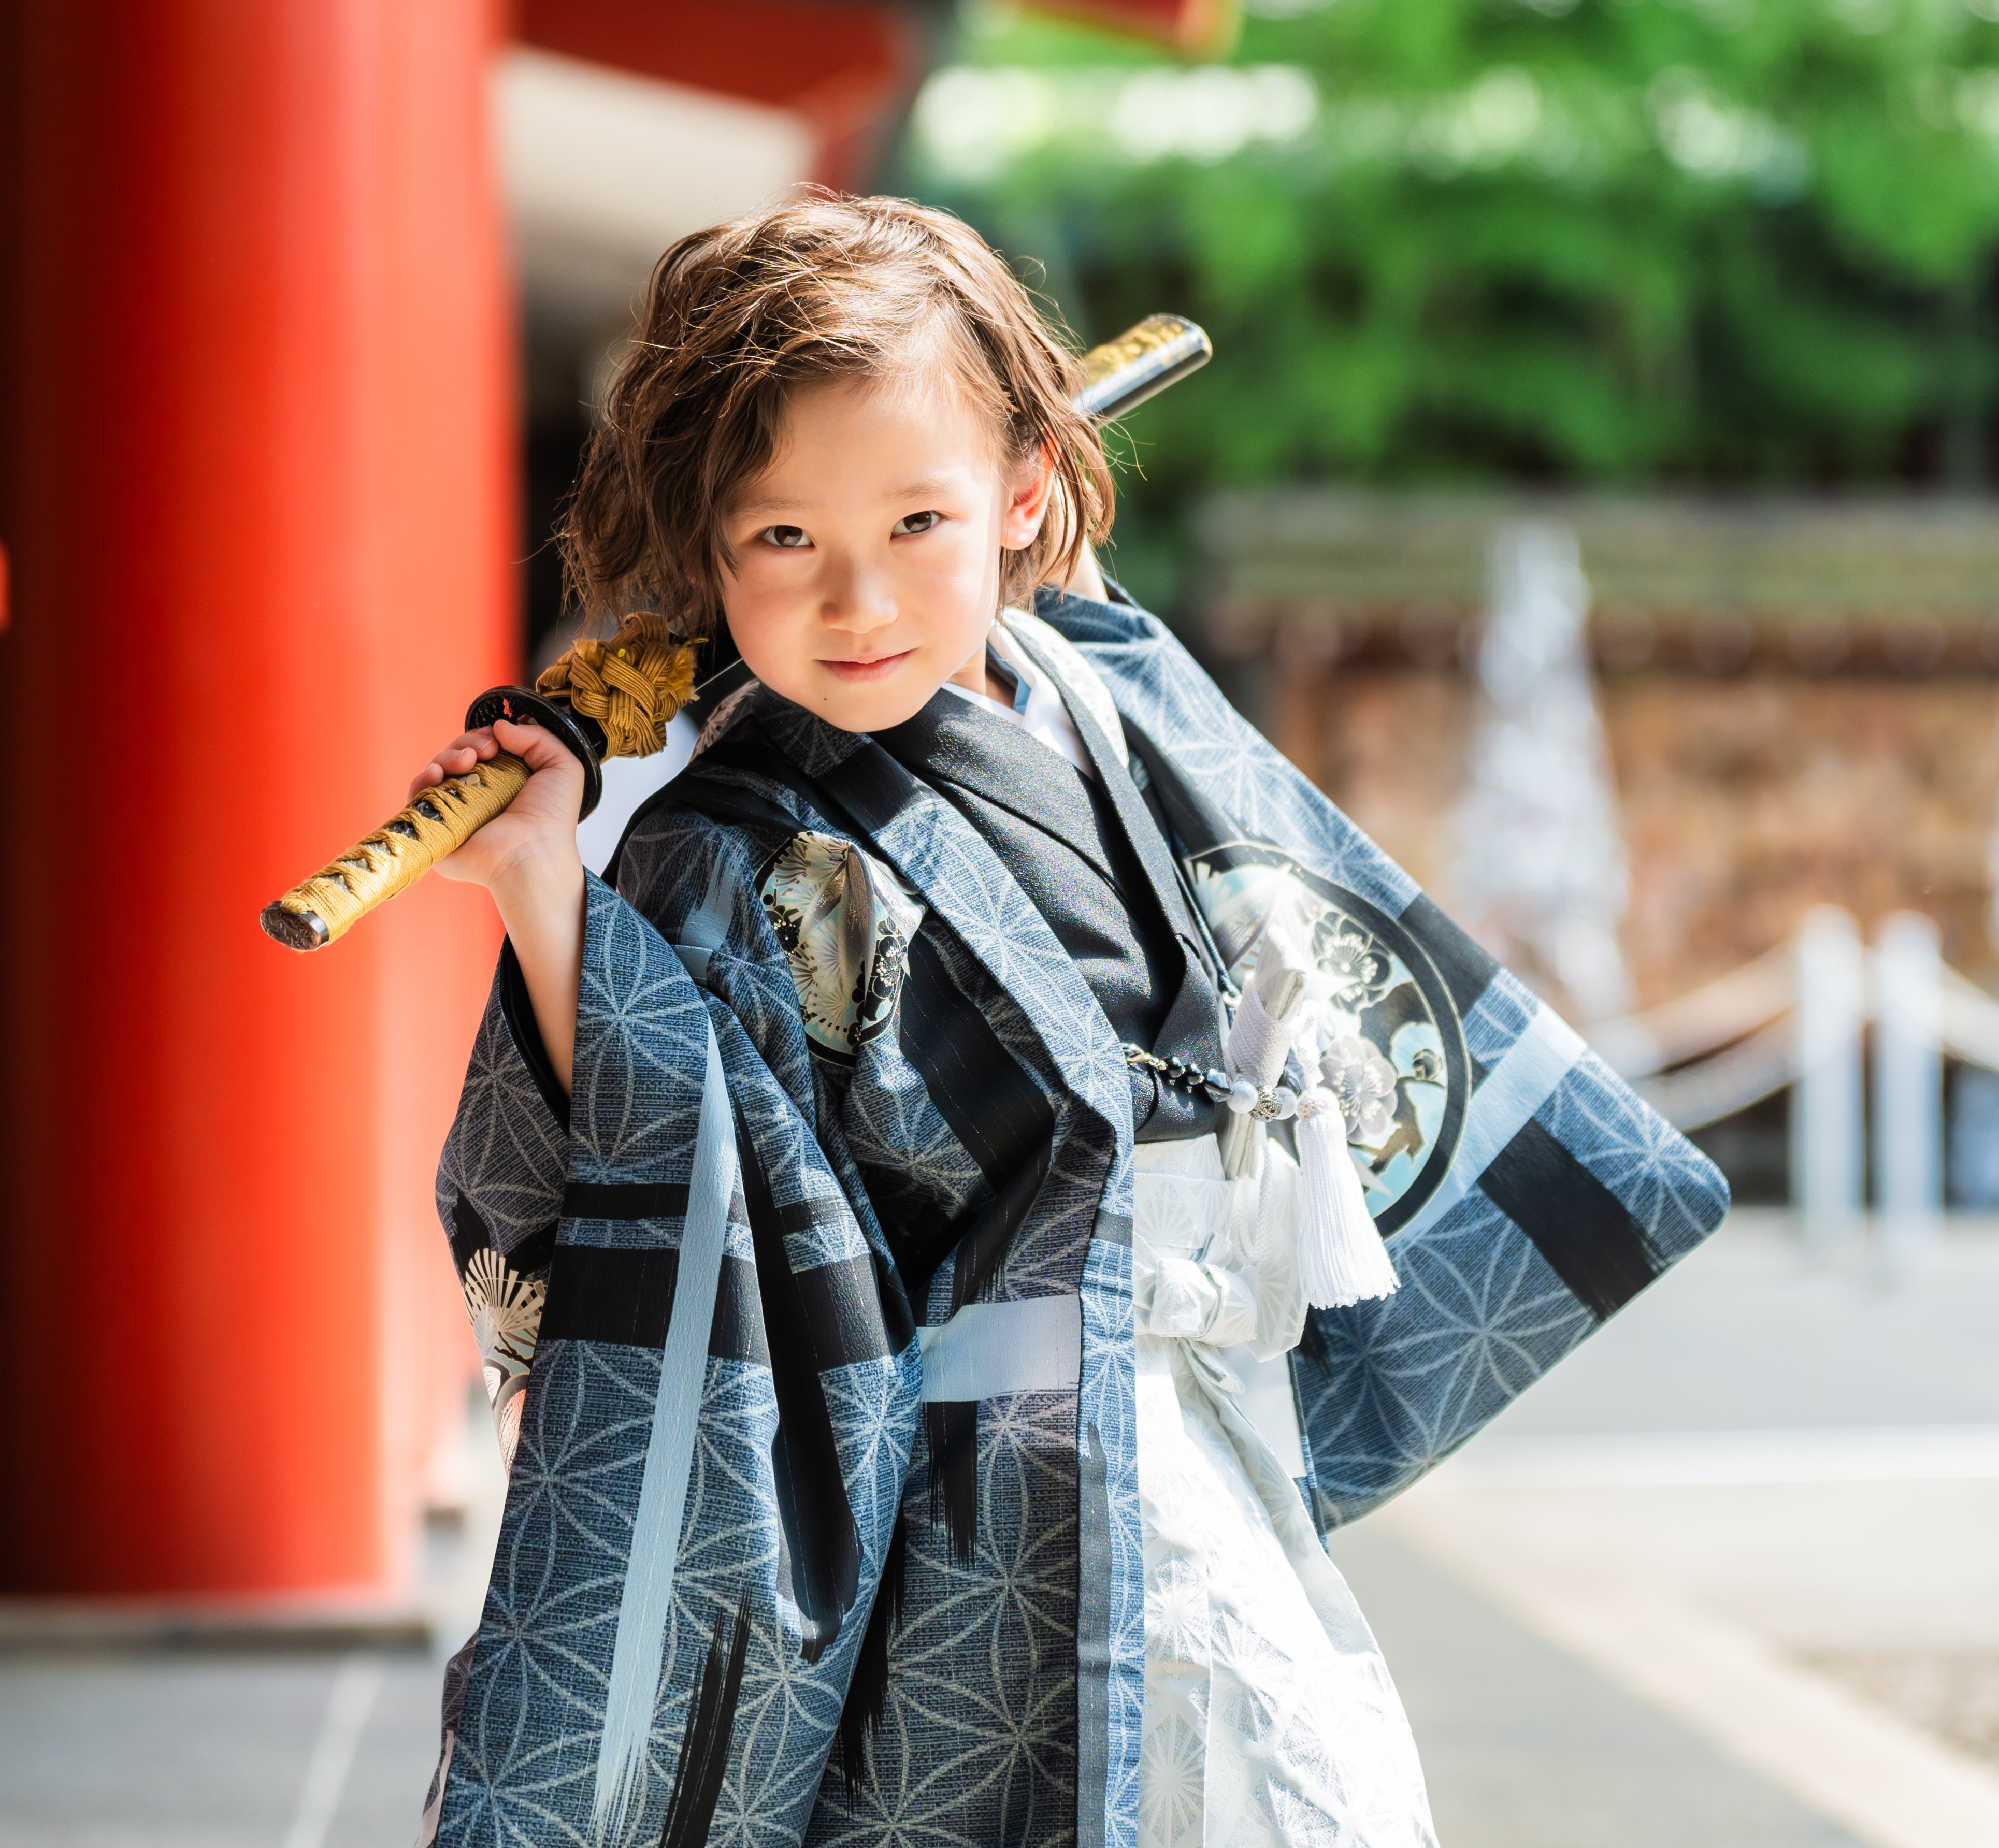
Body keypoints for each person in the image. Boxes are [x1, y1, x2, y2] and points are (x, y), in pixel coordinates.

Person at [415, 192, 1729, 1848]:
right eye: (784, 540)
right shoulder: (726, 850)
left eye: (919, 521)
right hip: (972, 1521)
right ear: (708, 547)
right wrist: (545, 892)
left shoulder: (1097, 695)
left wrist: (1027, 558)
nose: (859, 600)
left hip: (1204, 1427)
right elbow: (685, 1172)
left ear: (1024, 493)